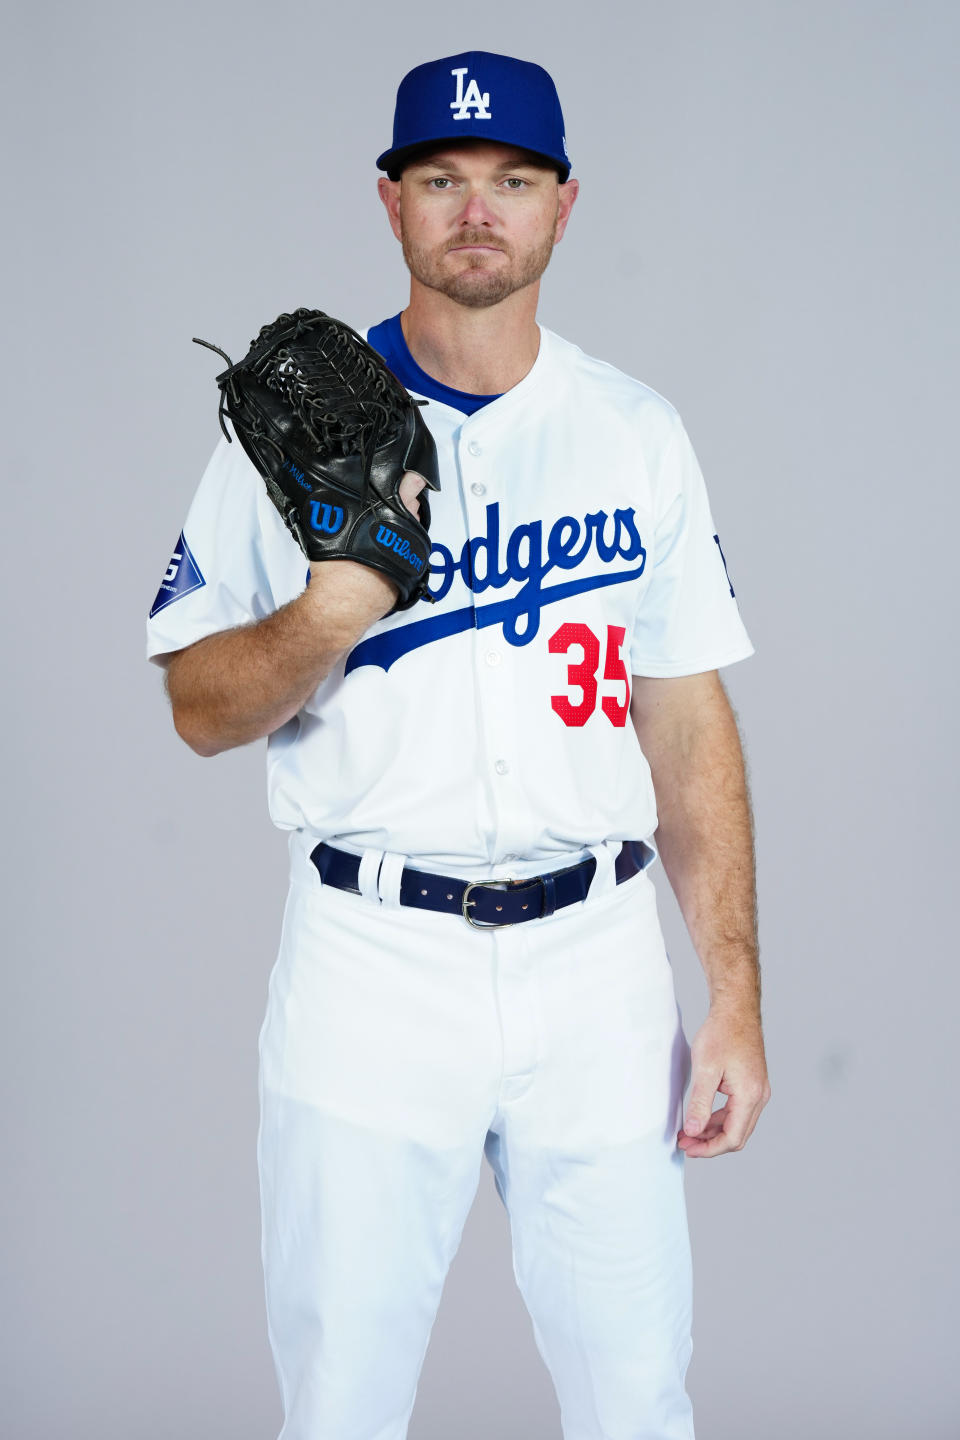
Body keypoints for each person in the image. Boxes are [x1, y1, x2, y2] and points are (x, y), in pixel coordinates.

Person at [147, 49, 770, 1440]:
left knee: (638, 1399)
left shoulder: (634, 435)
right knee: (343, 1406)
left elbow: (684, 719)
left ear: (562, 205)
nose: (476, 210)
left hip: (598, 971)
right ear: (392, 203)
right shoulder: (290, 441)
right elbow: (197, 707)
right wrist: (332, 608)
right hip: (372, 965)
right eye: (442, 180)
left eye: (510, 180)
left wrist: (731, 995)